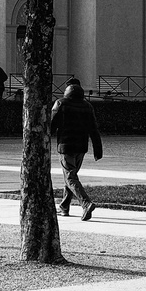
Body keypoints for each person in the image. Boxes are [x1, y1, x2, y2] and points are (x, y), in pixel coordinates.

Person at [48, 76, 103, 221]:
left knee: (70, 177)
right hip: (81, 147)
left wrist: (44, 142)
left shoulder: (60, 103)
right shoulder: (87, 106)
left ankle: (86, 203)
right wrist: (98, 149)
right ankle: (64, 207)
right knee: (71, 177)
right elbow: (94, 129)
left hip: (66, 147)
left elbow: (51, 126)